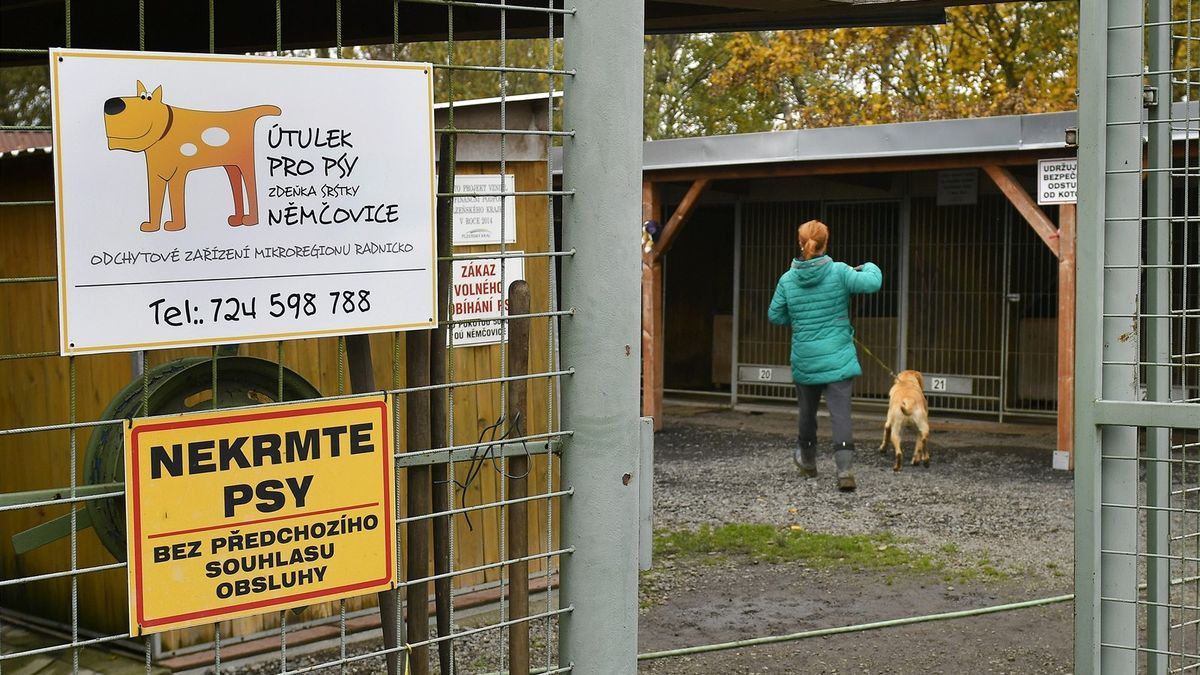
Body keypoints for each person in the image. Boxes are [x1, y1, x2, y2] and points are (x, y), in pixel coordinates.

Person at [767, 219, 882, 491]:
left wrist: (800, 321)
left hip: (805, 357)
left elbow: (775, 315)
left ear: (800, 243)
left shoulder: (787, 279)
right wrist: (868, 266)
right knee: (840, 414)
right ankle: (844, 472)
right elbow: (873, 282)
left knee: (807, 413)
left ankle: (808, 463)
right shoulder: (841, 271)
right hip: (838, 357)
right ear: (825, 243)